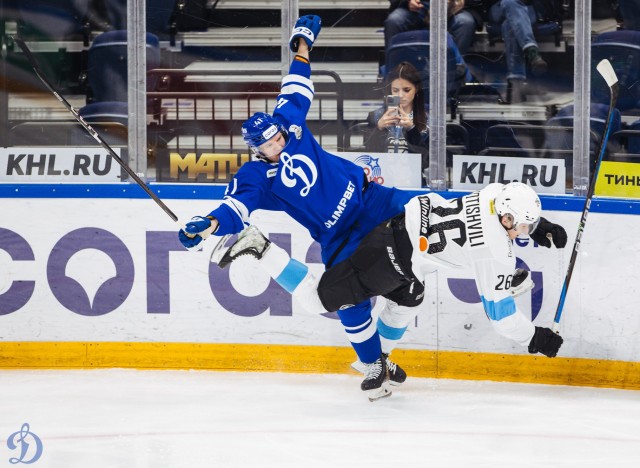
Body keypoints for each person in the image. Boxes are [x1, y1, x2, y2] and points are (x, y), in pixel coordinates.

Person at [178, 15, 417, 401]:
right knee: (346, 298)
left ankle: (490, 213)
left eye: (277, 138)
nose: (278, 145)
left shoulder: (289, 123)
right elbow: (235, 208)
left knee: (428, 209)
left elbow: (298, 87)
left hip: (370, 199)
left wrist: (302, 46)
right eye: (269, 146)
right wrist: (205, 226)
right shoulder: (256, 176)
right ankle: (374, 362)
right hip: (337, 236)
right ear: (257, 150)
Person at [213, 182, 568, 399]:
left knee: (409, 299)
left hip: (406, 232)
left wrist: (539, 227)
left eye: (528, 225)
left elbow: (505, 206)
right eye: (522, 225)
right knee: (315, 299)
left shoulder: (493, 194)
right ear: (506, 218)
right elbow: (501, 317)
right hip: (389, 258)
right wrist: (535, 338)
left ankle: (376, 360)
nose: (524, 230)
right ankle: (260, 246)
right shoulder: (495, 254)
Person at [365, 61, 429, 171]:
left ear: (416, 89)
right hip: (382, 178)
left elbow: (426, 162)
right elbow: (367, 156)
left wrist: (412, 129)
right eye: (395, 90)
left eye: (406, 90)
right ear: (390, 90)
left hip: (414, 179)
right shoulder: (375, 116)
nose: (400, 95)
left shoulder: (428, 119)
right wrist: (378, 129)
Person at [485, 0, 549, 102]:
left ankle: (515, 82)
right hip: (499, 7)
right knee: (509, 2)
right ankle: (532, 51)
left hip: (529, 8)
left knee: (509, 25)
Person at [384, 0, 484, 55]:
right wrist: (407, 1)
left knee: (465, 22)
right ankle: (394, 76)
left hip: (454, 9)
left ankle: (454, 74)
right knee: (395, 21)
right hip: (417, 8)